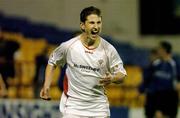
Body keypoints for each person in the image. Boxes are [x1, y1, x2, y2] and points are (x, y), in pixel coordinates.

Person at [40, 6, 127, 118]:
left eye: (99, 22)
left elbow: (122, 75)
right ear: (82, 25)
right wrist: (46, 85)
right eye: (91, 23)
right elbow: (52, 62)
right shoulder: (69, 46)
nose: (96, 27)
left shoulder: (109, 49)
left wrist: (113, 78)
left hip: (98, 108)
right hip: (74, 108)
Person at [139, 41, 179, 118]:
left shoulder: (174, 65)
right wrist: (141, 90)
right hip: (155, 97)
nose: (158, 51)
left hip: (170, 97)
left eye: (159, 49)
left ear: (164, 50)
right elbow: (147, 79)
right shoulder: (155, 64)